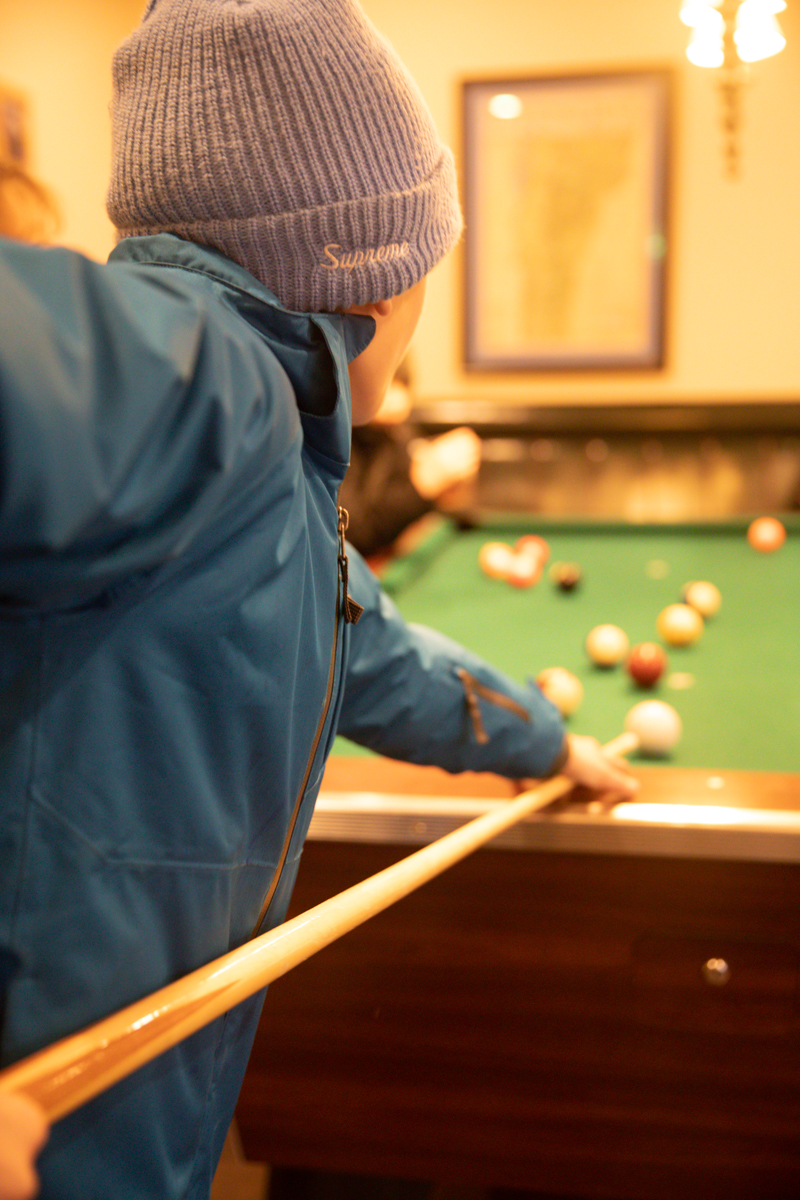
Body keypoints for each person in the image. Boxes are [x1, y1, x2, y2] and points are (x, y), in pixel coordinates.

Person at [0, 2, 636, 1197]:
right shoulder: (208, 384)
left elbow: (372, 652)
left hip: (138, 1119)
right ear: (377, 281)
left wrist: (544, 742)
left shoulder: (277, 472)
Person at [339, 360, 482, 558]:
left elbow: (420, 517)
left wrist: (447, 494)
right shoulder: (336, 440)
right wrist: (423, 486)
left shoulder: (400, 433)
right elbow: (350, 536)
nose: (394, 400)